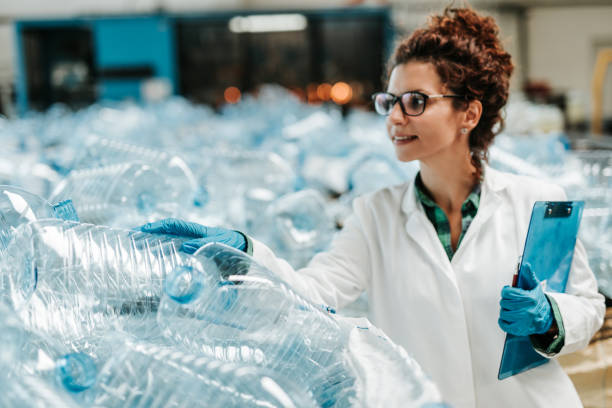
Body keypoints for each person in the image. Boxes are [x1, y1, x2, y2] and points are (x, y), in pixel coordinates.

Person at [141, 6, 604, 407]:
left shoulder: (534, 202)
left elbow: (587, 306)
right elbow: (311, 294)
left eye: (416, 101)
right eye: (391, 101)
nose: (396, 117)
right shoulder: (375, 215)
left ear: (469, 113)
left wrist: (550, 316)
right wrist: (244, 252)